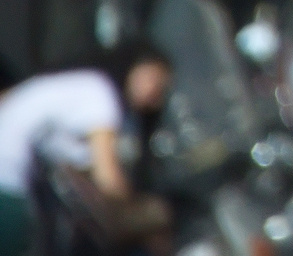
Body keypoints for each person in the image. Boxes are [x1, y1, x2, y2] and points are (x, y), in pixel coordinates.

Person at [0, 41, 172, 256]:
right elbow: (107, 178)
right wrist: (143, 220)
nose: (154, 93)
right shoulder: (102, 95)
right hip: (7, 185)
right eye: (153, 78)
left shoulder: (77, 83)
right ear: (134, 64)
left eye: (162, 89)